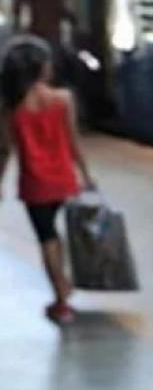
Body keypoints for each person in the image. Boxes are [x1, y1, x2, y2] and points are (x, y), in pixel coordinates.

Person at [0, 36, 95, 324]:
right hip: (64, 180)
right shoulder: (64, 99)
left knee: (47, 238)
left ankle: (60, 298)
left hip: (34, 185)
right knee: (58, 234)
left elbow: (5, 150)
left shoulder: (10, 110)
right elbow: (73, 142)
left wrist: (0, 180)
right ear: (41, 69)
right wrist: (86, 175)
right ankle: (63, 285)